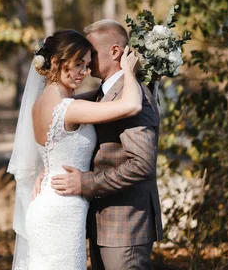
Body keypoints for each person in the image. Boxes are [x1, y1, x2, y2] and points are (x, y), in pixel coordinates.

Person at [7, 28, 141, 270]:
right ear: (57, 63)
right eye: (78, 64)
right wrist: (128, 72)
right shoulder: (68, 108)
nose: (85, 72)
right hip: (61, 212)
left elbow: (54, 149)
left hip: (50, 202)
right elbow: (131, 105)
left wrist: (45, 172)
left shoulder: (41, 103)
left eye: (87, 65)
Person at [51, 20, 163, 270]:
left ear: (114, 51)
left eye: (90, 52)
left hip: (126, 226)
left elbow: (142, 165)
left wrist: (85, 182)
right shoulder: (102, 93)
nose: (86, 59)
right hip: (103, 223)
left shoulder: (134, 96)